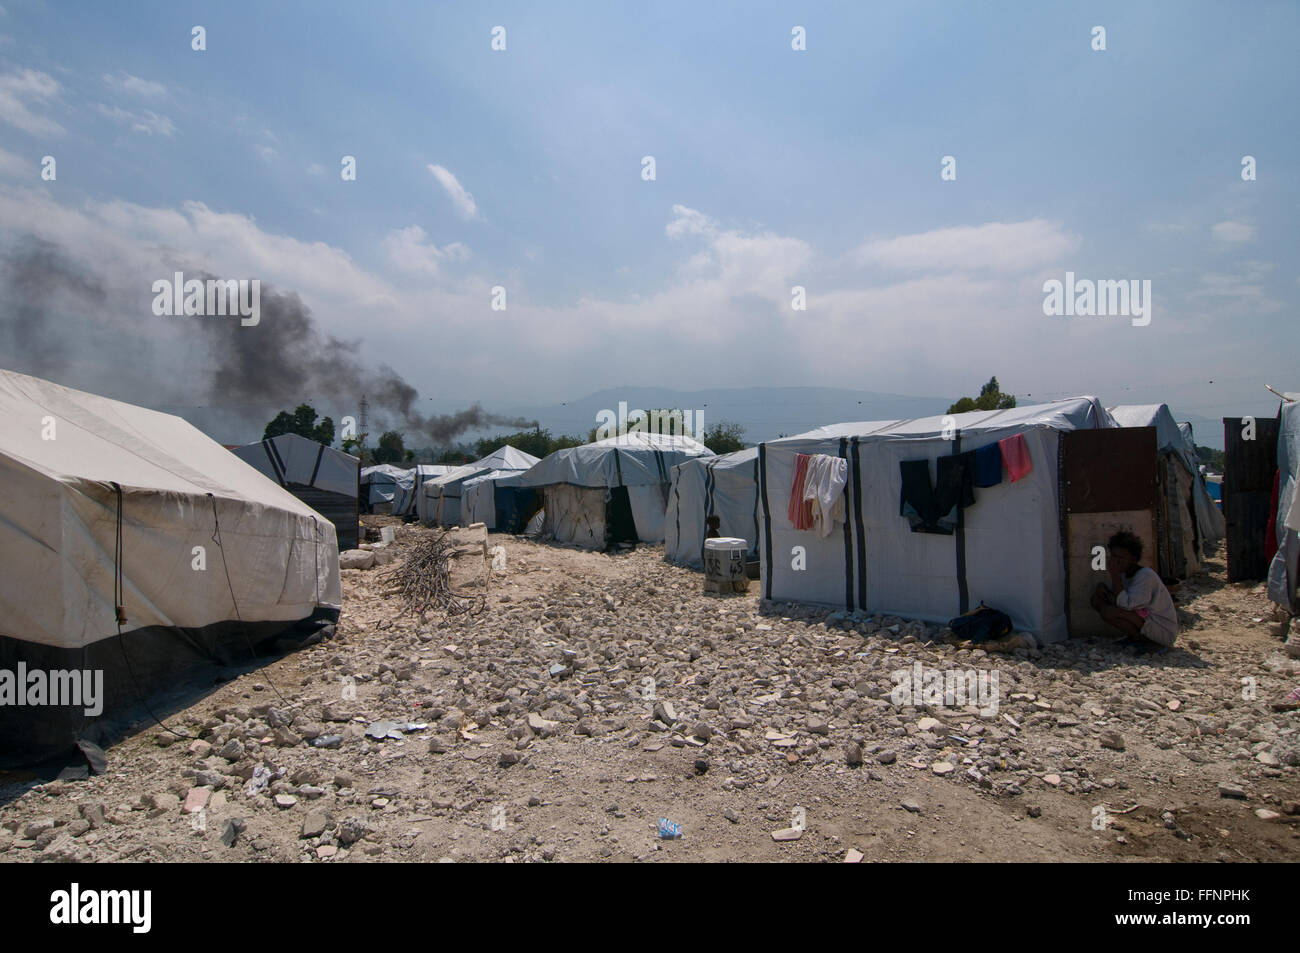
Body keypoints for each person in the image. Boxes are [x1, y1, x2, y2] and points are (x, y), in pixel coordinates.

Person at [1089, 530, 1178, 653]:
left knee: (1109, 612)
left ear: (1133, 559)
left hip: (1162, 629)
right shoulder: (1126, 574)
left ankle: (1151, 643)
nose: (1116, 561)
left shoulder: (1145, 575)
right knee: (1097, 600)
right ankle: (1136, 638)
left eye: (1121, 558)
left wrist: (1114, 575)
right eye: (1114, 556)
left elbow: (1127, 605)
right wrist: (1103, 589)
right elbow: (1118, 595)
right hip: (1146, 622)